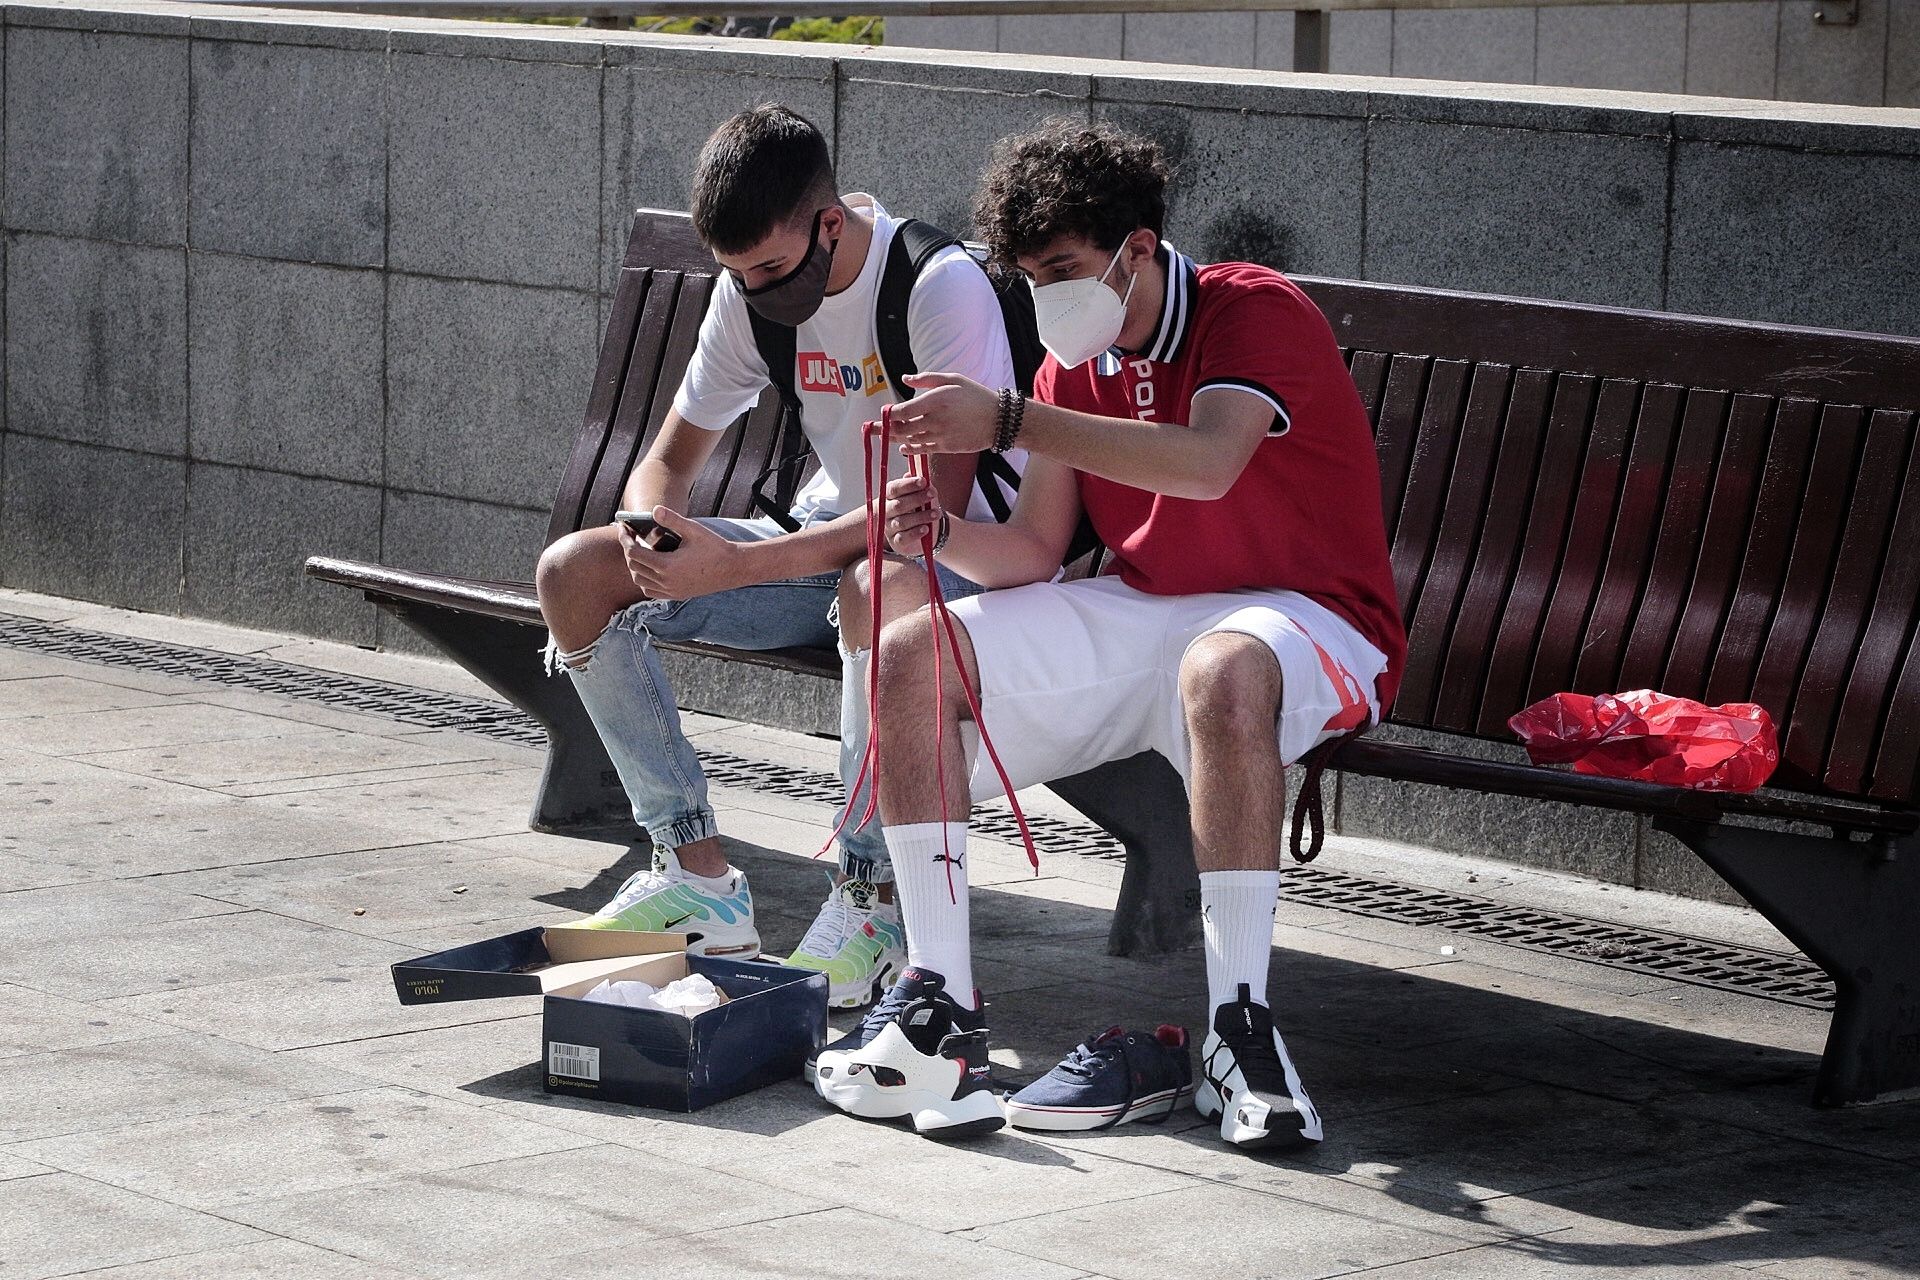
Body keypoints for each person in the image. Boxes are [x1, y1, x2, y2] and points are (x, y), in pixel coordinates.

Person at [810, 119, 1406, 1146]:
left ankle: (1241, 1031)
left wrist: (1004, 420)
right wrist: (943, 532)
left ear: (1137, 246)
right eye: (1031, 278)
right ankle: (940, 1007)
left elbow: (1209, 461)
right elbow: (1037, 547)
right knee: (916, 651)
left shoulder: (1252, 310)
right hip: (1150, 609)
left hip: (1314, 617)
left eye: (1065, 271)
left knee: (1223, 668)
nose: (1048, 299)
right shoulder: (1064, 366)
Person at [535, 104, 1017, 1010]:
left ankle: (871, 902)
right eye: (735, 272)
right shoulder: (747, 291)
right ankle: (696, 880)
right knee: (575, 572)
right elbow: (667, 460)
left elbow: (928, 515)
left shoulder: (933, 286)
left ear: (830, 223)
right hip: (823, 542)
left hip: (964, 560)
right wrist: (654, 532)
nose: (754, 290)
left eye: (768, 269)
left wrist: (734, 567)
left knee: (878, 581)